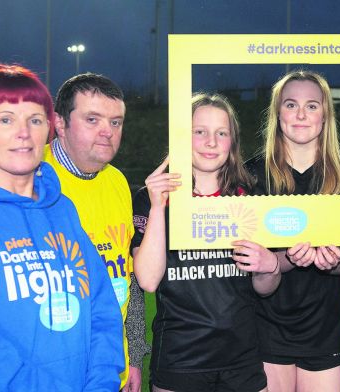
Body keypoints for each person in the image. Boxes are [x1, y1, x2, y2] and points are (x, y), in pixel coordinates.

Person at [0, 64, 124, 390]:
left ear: (48, 129)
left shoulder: (62, 208)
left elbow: (102, 309)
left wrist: (101, 384)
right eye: (6, 119)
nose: (23, 133)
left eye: (35, 120)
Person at [132, 93, 280, 392]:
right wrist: (159, 207)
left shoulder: (250, 198)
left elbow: (265, 287)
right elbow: (147, 280)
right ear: (181, 137)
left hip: (242, 360)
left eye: (221, 133)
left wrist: (270, 267)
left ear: (232, 142)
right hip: (179, 360)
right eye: (199, 131)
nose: (211, 142)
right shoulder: (152, 199)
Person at [245, 70, 340, 391]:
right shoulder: (250, 177)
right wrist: (281, 259)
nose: (301, 114)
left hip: (325, 330)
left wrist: (338, 262)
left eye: (312, 106)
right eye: (291, 104)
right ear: (277, 113)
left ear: (326, 115)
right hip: (264, 328)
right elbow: (243, 263)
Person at [43, 73, 149, 391]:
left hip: (111, 369)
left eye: (116, 122)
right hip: (53, 374)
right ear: (60, 123)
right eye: (93, 119)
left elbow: (127, 278)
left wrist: (132, 357)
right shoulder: (32, 179)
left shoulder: (117, 182)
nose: (107, 131)